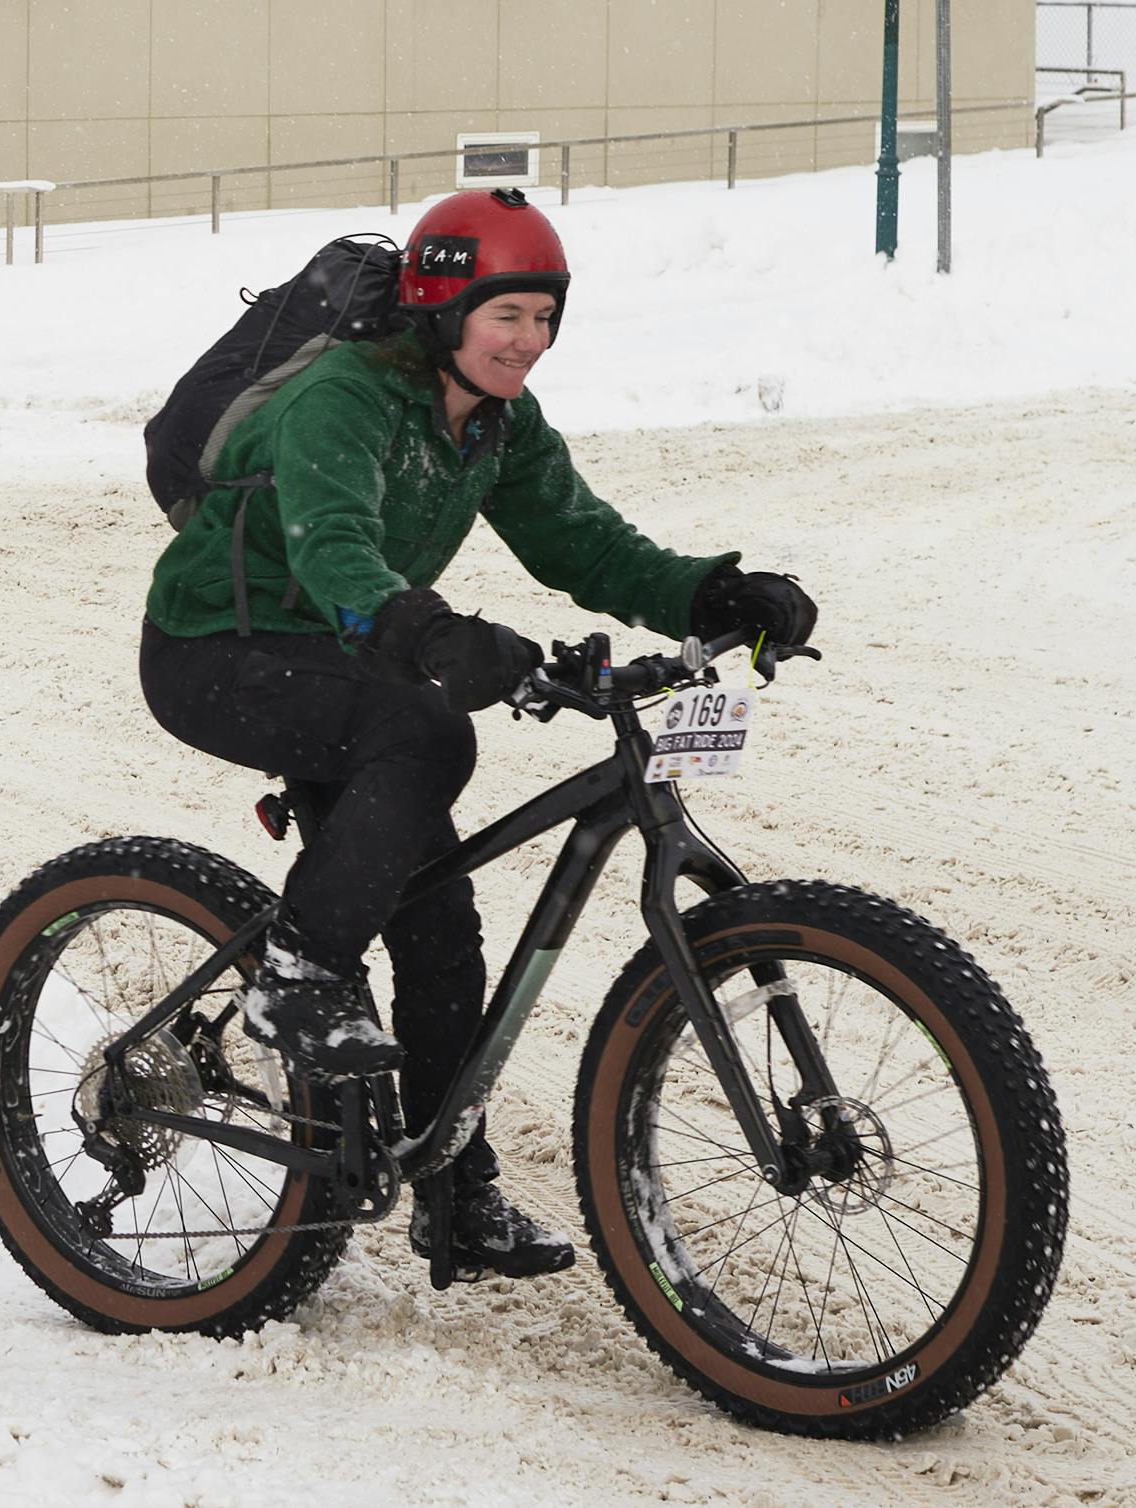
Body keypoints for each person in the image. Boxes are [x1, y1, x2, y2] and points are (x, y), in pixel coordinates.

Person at [136, 187, 817, 1286]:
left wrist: (711, 593)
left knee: (440, 912)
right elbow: (332, 542)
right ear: (446, 307)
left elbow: (584, 542)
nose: (530, 341)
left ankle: (454, 1191)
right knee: (428, 730)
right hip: (219, 647)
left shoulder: (497, 420)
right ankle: (296, 972)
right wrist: (423, 627)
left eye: (545, 317)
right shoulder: (343, 397)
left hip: (349, 654)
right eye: (508, 316)